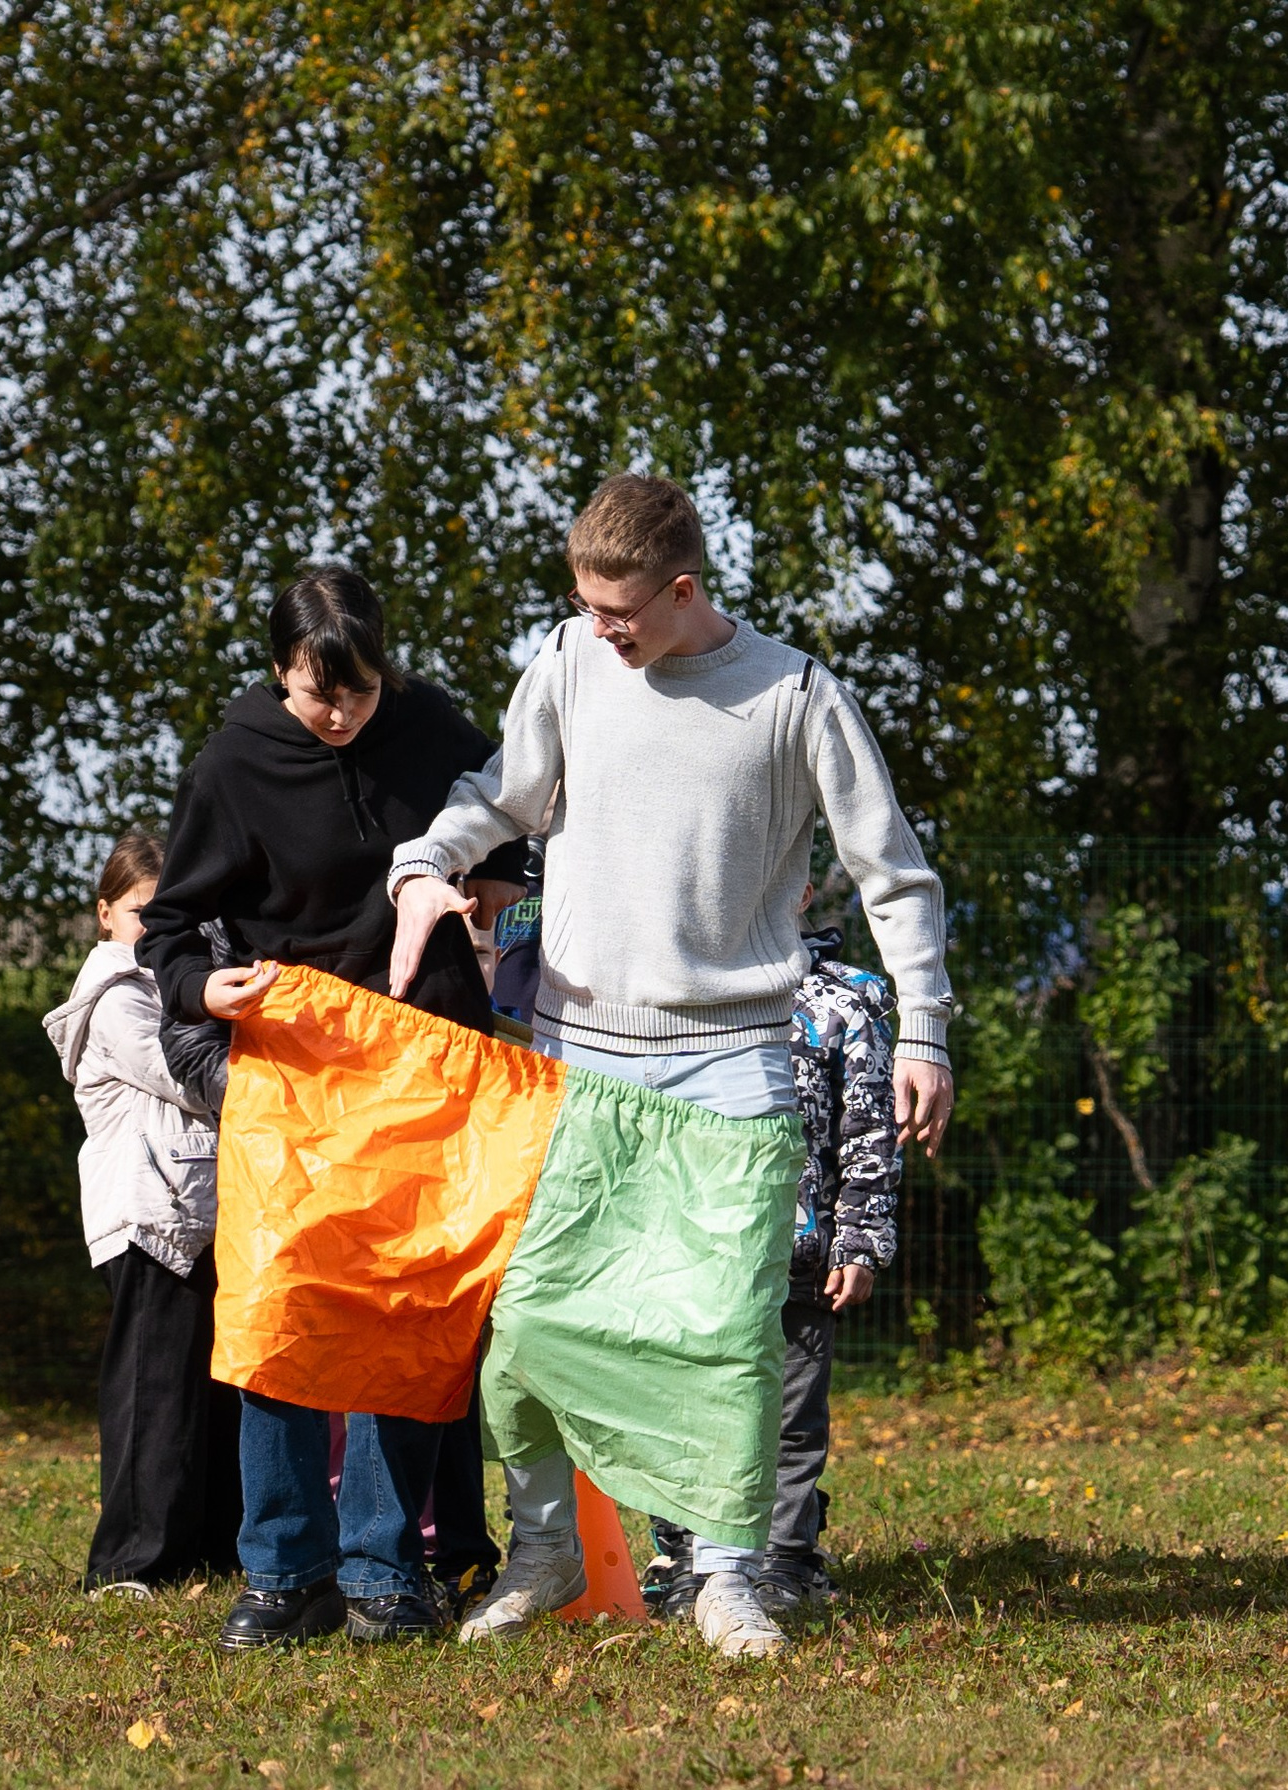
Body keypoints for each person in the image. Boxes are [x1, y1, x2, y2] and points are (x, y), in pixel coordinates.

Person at [387, 473, 955, 1660]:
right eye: (587, 608)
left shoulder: (794, 694)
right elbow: (500, 793)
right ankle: (541, 1550)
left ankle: (726, 1575)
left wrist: (922, 1027)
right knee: (531, 1315)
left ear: (685, 588)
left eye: (623, 612)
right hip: (576, 1054)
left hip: (736, 1061)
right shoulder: (567, 661)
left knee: (727, 1332)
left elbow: (893, 875)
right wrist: (422, 865)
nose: (604, 631)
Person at [137, 565, 531, 1651]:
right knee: (281, 1312)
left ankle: (384, 1566)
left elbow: (510, 814)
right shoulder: (234, 758)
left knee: (402, 1314)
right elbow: (170, 925)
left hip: (425, 1060)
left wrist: (502, 875)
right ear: (279, 673)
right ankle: (283, 1569)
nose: (343, 712)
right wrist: (199, 987)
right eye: (320, 694)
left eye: (359, 689)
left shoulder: (430, 725)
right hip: (298, 1065)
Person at [642, 906, 901, 1620]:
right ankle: (686, 1554)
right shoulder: (682, 987)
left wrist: (859, 1240)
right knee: (688, 1407)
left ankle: (786, 1558)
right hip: (694, 1250)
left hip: (800, 1254)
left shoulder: (846, 998)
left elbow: (870, 1128)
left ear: (806, 886)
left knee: (789, 1416)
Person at [42, 833, 241, 1598]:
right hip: (150, 1217)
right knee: (151, 1392)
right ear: (105, 915)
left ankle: (206, 1547)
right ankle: (128, 1562)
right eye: (140, 914)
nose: (157, 933)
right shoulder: (119, 996)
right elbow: (192, 1078)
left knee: (211, 1391)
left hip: (204, 1213)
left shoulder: (174, 982)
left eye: (173, 920)